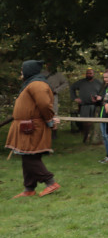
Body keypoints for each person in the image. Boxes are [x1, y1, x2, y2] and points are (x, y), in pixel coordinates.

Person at [8, 60, 61, 198]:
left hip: (32, 126)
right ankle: (29, 189)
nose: (21, 72)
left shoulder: (37, 84)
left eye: (22, 69)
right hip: (26, 125)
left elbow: (44, 104)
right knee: (28, 156)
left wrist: (49, 119)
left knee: (29, 157)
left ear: (29, 70)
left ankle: (50, 182)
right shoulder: (31, 83)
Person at [71, 68, 103, 144]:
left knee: (94, 123)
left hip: (95, 106)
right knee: (85, 122)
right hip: (84, 105)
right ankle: (85, 137)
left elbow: (103, 92)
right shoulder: (81, 82)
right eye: (87, 73)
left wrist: (99, 98)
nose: (89, 75)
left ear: (93, 74)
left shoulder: (98, 83)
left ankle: (93, 137)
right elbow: (72, 88)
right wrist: (75, 98)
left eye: (90, 73)